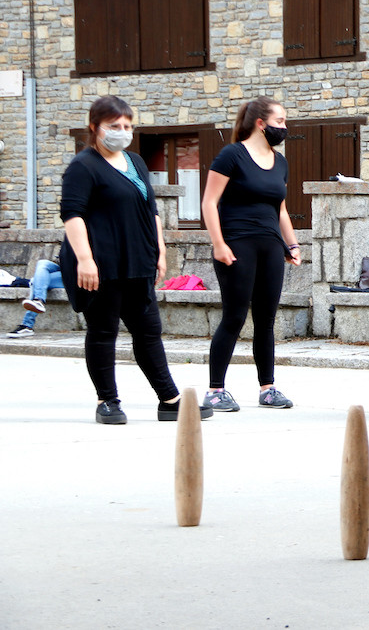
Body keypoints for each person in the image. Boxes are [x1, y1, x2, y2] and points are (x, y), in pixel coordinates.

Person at [59, 96, 209, 424]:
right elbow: (72, 215)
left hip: (137, 261)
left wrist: (159, 249)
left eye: (127, 126)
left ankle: (170, 400)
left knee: (148, 331)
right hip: (101, 264)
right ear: (95, 128)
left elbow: (150, 209)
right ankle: (107, 402)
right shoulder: (82, 167)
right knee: (103, 331)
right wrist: (85, 259)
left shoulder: (135, 162)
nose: (122, 131)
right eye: (114, 126)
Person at [201, 96, 303, 412]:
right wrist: (219, 244)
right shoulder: (232, 155)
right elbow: (209, 202)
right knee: (234, 316)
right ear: (261, 123)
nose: (284, 127)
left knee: (266, 320)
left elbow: (281, 210)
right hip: (237, 245)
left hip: (271, 247)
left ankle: (267, 388)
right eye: (280, 121)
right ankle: (215, 389)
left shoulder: (281, 163)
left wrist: (293, 244)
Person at [7, 259, 62, 338]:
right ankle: (38, 301)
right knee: (42, 263)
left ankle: (27, 325)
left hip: (76, 273)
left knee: (35, 281)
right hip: (63, 267)